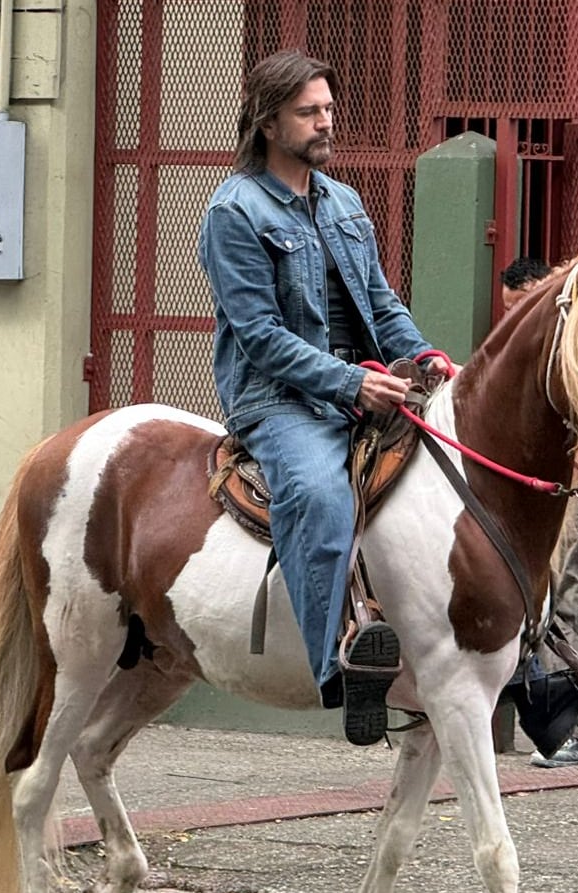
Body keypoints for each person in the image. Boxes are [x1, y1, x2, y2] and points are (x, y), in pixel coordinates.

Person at [197, 49, 447, 747]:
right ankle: (337, 668)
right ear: (269, 121)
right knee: (320, 494)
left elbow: (379, 301)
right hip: (279, 401)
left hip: (363, 385)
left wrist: (424, 355)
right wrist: (350, 382)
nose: (324, 122)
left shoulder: (344, 202)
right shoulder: (234, 210)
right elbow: (259, 335)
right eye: (309, 112)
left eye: (328, 109)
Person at [496, 256, 578, 767]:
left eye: (523, 304)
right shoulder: (539, 339)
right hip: (550, 481)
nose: (516, 317)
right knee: (547, 594)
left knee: (572, 590)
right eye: (510, 310)